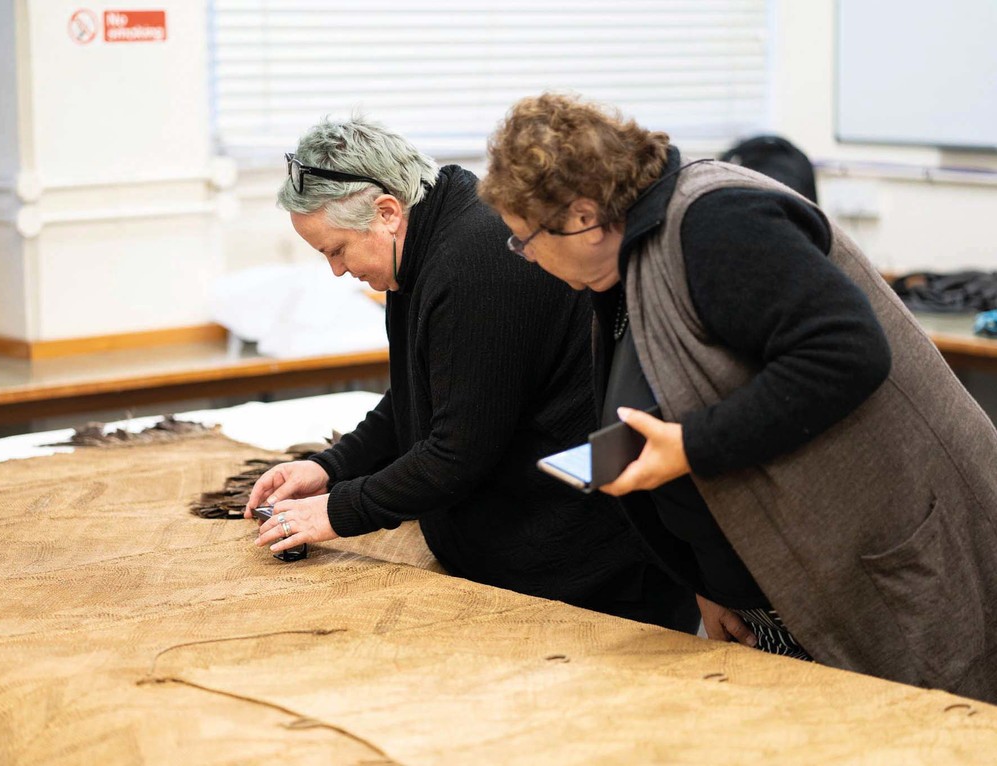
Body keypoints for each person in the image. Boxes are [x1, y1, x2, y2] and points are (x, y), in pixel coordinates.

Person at [477, 92, 997, 702]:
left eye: (525, 239)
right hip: (772, 584)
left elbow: (847, 352)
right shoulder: (630, 255)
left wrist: (692, 447)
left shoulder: (718, 222)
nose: (526, 256)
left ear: (584, 216)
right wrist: (707, 578)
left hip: (883, 559)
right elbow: (690, 393)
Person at [246, 115, 698, 632]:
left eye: (336, 249)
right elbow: (419, 396)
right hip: (525, 560)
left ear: (387, 212)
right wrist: (330, 468)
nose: (337, 271)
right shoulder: (422, 244)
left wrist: (337, 511)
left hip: (587, 582)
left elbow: (455, 455)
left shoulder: (475, 264)